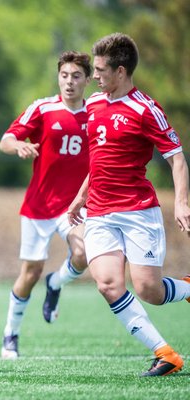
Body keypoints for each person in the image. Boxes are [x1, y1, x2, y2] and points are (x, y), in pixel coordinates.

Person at [68, 33, 190, 377]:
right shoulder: (93, 104)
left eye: (101, 70)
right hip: (101, 214)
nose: (95, 76)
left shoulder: (145, 108)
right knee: (107, 283)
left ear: (120, 72)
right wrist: (81, 196)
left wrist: (181, 203)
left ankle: (187, 288)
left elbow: (177, 159)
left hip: (138, 212)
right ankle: (165, 353)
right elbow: (99, 159)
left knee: (149, 290)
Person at [0, 51, 92, 360]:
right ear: (58, 77)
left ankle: (57, 282)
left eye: (76, 76)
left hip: (75, 207)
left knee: (82, 253)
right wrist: (19, 145)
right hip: (39, 206)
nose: (69, 82)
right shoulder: (43, 108)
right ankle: (11, 334)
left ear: (88, 80)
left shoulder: (96, 114)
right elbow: (5, 140)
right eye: (64, 75)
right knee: (30, 273)